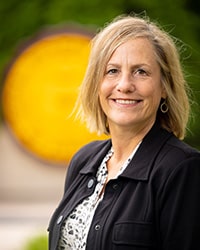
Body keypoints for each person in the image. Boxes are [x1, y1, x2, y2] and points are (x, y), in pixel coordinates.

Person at [48, 14, 200, 250]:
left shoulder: (182, 169)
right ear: (95, 84)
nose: (125, 85)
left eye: (141, 72)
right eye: (112, 71)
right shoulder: (84, 161)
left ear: (164, 87)